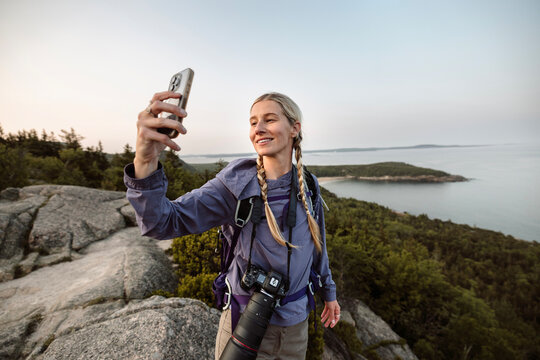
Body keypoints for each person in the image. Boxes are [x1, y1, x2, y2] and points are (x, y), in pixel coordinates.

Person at [124, 90, 341, 360]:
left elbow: (316, 245)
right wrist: (145, 161)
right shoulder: (236, 184)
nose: (258, 129)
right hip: (245, 324)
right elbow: (162, 222)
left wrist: (328, 292)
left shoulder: (307, 184)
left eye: (269, 120)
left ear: (294, 128)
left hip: (296, 326)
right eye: (253, 122)